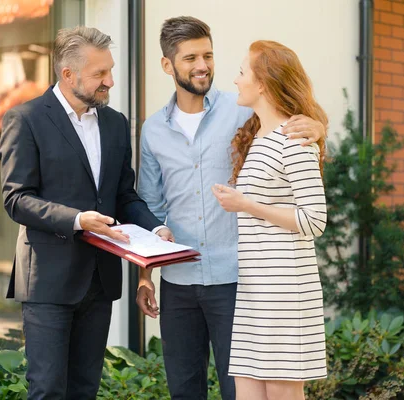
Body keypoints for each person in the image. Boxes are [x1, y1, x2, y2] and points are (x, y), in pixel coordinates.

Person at [136, 16, 325, 400]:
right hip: (179, 282)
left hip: (238, 280)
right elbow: (150, 208)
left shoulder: (243, 111)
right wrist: (144, 277)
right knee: (184, 389)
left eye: (208, 55)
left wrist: (318, 128)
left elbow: (292, 121)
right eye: (190, 58)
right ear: (167, 65)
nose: (202, 65)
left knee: (237, 390)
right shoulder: (152, 130)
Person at [0, 26, 172, 400]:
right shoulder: (25, 119)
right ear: (68, 74)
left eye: (110, 70)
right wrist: (77, 220)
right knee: (47, 390)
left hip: (100, 280)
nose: (110, 81)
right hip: (48, 281)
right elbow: (16, 199)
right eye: (100, 74)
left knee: (85, 390)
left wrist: (156, 230)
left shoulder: (115, 123)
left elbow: (124, 195)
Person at [211, 40, 328, 400]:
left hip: (285, 292)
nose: (235, 79)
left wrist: (246, 205)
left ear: (262, 82)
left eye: (242, 72)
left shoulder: (294, 138)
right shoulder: (259, 137)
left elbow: (315, 220)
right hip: (255, 290)